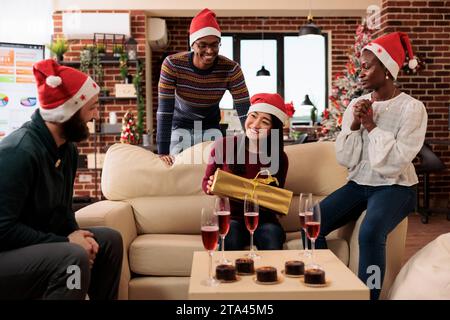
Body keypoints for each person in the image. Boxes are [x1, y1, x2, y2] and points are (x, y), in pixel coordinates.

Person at [316, 32, 427, 300]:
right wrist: (354, 125)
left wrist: (371, 126)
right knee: (312, 220)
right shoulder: (356, 104)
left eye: (367, 66)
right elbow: (345, 158)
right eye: (360, 67)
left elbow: (396, 161)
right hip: (359, 184)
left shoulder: (412, 109)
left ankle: (369, 296)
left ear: (387, 69)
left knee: (370, 233)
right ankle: (321, 286)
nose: (360, 73)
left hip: (396, 187)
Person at [0, 59, 123, 300]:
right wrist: (67, 241)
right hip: (6, 253)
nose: (96, 116)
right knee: (72, 258)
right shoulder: (19, 153)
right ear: (67, 112)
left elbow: (63, 211)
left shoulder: (66, 149)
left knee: (109, 241)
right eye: (92, 108)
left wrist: (79, 237)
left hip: (34, 245)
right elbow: (2, 229)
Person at [157, 8, 250, 165]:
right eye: (203, 45)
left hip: (210, 128)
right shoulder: (172, 64)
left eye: (215, 44)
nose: (210, 50)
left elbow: (244, 110)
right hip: (180, 127)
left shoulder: (231, 69)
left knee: (217, 171)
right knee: (177, 173)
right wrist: (163, 151)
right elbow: (165, 109)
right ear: (192, 44)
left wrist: (251, 143)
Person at [202, 93, 289, 250]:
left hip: (265, 221)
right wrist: (211, 187)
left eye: (265, 122)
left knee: (271, 235)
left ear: (272, 129)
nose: (255, 125)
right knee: (231, 235)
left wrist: (278, 204)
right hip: (231, 218)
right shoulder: (223, 146)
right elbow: (205, 181)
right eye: (253, 116)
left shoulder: (280, 157)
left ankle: (268, 274)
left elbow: (277, 195)